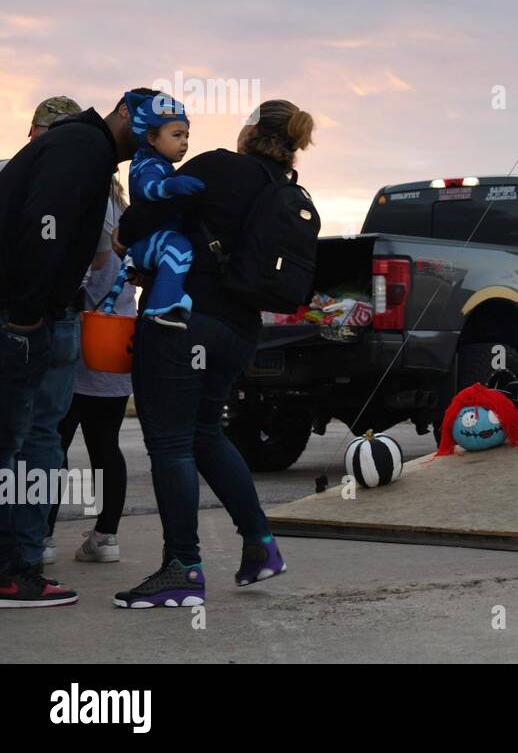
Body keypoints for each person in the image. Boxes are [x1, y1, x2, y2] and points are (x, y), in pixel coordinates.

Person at [112, 99, 314, 607]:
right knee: (204, 435)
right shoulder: (284, 189)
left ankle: (182, 568)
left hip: (183, 323)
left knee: (171, 444)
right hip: (239, 332)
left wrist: (130, 242)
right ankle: (261, 545)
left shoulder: (220, 165)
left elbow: (141, 218)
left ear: (250, 132)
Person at [0, 93, 138, 607]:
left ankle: (26, 558)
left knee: (38, 438)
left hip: (58, 316)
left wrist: (30, 309)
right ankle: (24, 559)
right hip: (62, 317)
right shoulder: (89, 170)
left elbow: (49, 232)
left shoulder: (47, 163)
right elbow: (59, 235)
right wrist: (31, 309)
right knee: (42, 438)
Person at [45, 176, 136, 565]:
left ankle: (42, 536)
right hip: (117, 336)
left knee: (51, 442)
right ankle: (106, 536)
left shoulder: (78, 205)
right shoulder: (126, 213)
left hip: (78, 331)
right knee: (106, 444)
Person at [102, 91, 204, 328]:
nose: (185, 142)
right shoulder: (150, 164)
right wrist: (172, 185)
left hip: (147, 240)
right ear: (151, 137)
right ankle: (164, 303)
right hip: (149, 242)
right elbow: (147, 189)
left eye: (187, 135)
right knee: (179, 247)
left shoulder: (157, 163)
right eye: (177, 135)